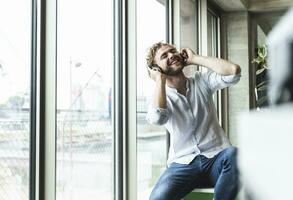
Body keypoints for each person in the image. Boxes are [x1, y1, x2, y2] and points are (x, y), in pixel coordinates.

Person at [146, 42, 241, 200]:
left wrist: (195, 58)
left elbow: (233, 72)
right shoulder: (159, 96)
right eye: (164, 56)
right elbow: (158, 118)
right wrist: (159, 80)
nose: (171, 55)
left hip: (215, 158)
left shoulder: (201, 81)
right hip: (182, 165)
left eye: (173, 51)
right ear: (156, 68)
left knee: (234, 154)